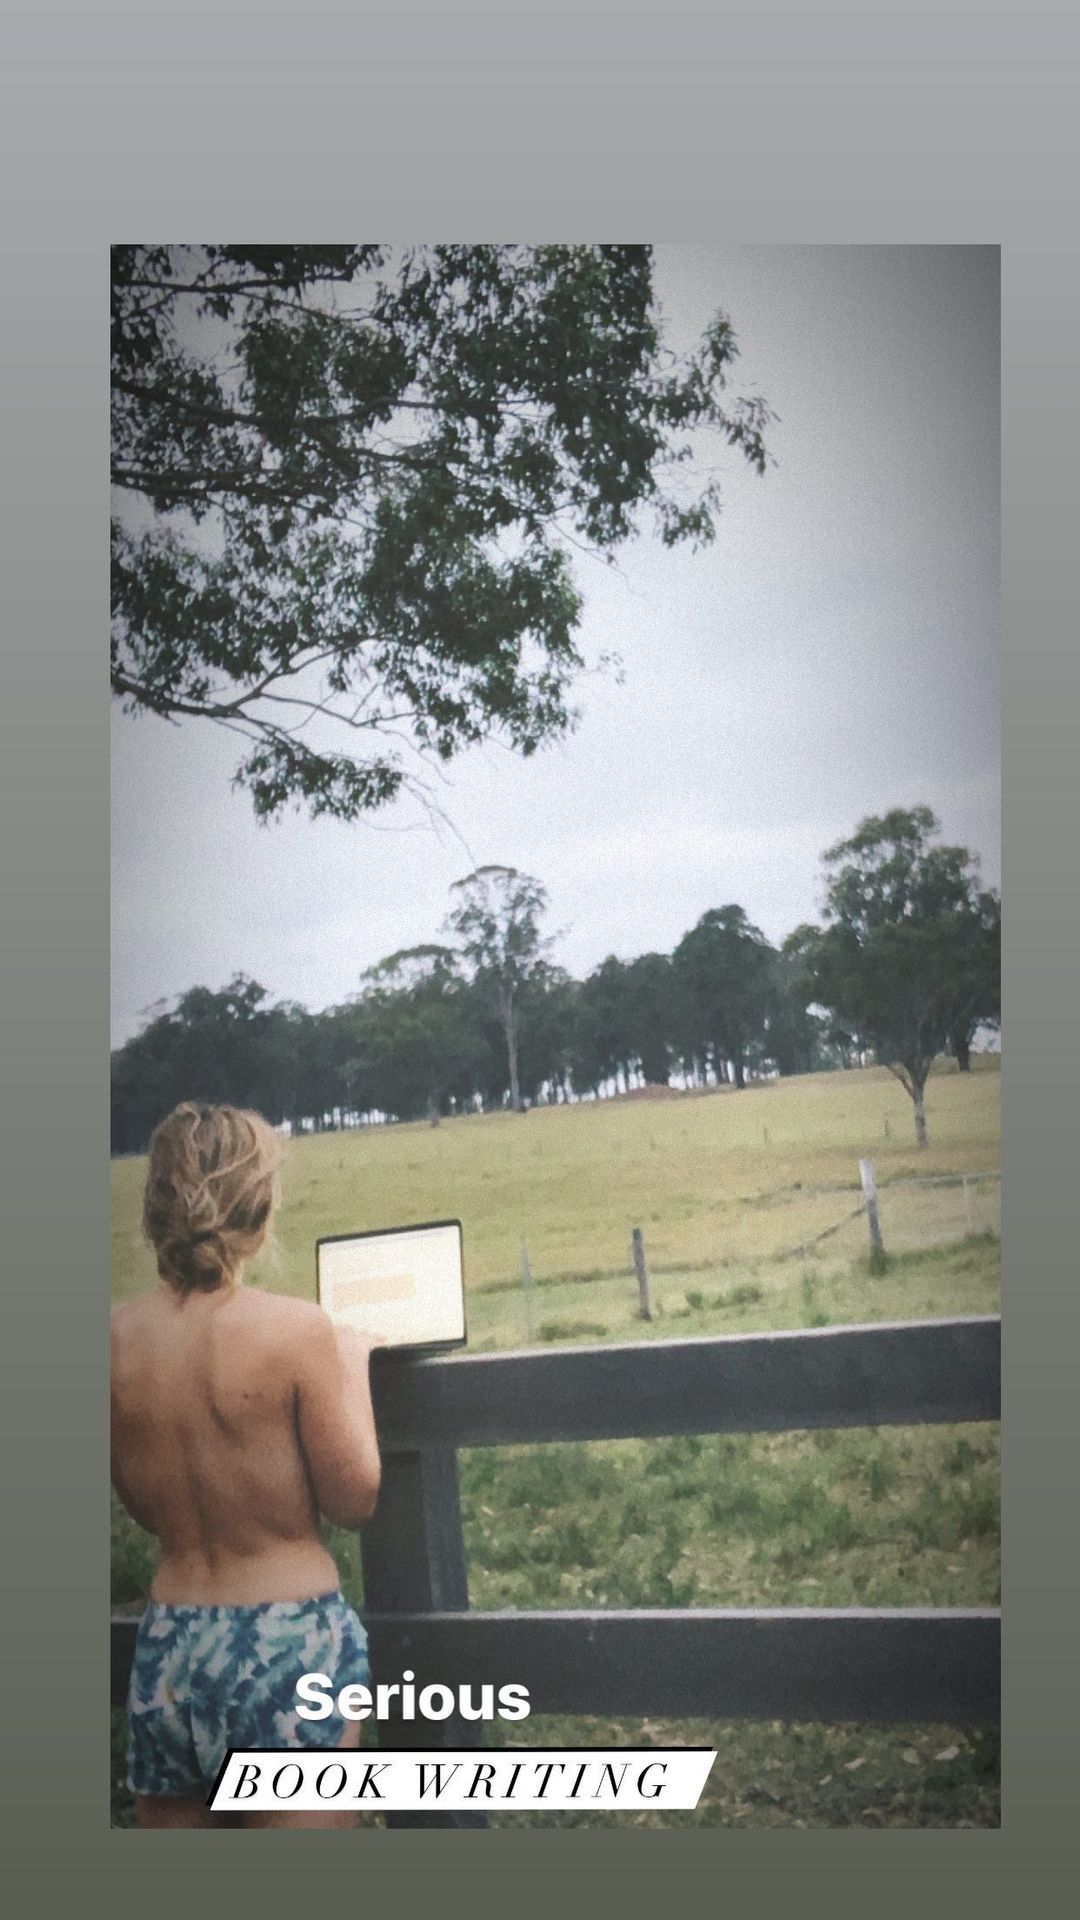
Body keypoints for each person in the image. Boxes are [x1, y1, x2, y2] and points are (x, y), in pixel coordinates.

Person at [111, 1102, 383, 1829]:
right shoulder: (298, 1331)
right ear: (259, 1210)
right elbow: (354, 1499)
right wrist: (352, 1360)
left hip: (169, 1643)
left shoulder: (114, 1337)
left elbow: (141, 1505)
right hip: (287, 1640)